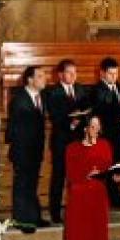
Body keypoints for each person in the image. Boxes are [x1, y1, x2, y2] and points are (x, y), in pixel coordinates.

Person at [64, 115, 114, 240]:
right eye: (92, 126)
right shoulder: (72, 148)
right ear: (85, 128)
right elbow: (71, 174)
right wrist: (87, 174)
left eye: (98, 126)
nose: (95, 130)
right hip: (79, 198)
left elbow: (108, 168)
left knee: (95, 239)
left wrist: (115, 175)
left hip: (98, 197)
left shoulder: (104, 145)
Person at [5, 65, 49, 233]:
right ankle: (22, 221)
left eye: (44, 75)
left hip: (35, 150)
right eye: (40, 76)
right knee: (22, 185)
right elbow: (17, 130)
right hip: (23, 151)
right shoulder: (20, 99)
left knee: (32, 184)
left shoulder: (40, 96)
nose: (44, 78)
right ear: (30, 80)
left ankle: (34, 217)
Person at [46, 59, 89, 224]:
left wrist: (83, 118)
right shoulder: (52, 92)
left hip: (78, 140)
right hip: (61, 140)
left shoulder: (80, 89)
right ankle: (55, 214)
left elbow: (87, 108)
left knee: (77, 177)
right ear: (60, 75)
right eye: (69, 72)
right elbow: (54, 116)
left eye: (75, 72)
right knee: (59, 177)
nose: (73, 76)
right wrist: (71, 123)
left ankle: (76, 210)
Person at [91, 57, 120, 208]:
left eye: (116, 73)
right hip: (107, 133)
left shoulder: (119, 87)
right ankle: (105, 197)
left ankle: (115, 195)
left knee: (117, 164)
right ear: (102, 74)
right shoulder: (97, 90)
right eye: (111, 74)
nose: (114, 77)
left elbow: (119, 106)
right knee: (105, 164)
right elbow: (103, 109)